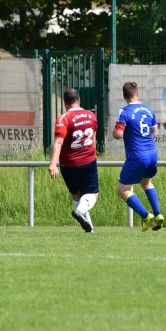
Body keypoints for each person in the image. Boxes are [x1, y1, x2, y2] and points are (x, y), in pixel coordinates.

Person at [112, 82, 164, 232]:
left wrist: (115, 133)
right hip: (152, 154)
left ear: (124, 96)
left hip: (137, 155)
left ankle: (145, 216)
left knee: (123, 189)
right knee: (146, 182)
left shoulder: (124, 111)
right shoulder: (148, 110)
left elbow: (118, 134)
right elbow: (155, 132)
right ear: (137, 94)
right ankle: (158, 214)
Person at [48, 89, 99, 233]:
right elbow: (93, 139)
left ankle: (89, 228)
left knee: (77, 194)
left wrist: (53, 164)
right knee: (93, 194)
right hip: (87, 161)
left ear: (65, 103)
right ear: (79, 100)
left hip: (68, 164)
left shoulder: (63, 119)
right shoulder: (91, 115)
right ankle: (81, 211)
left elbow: (58, 142)